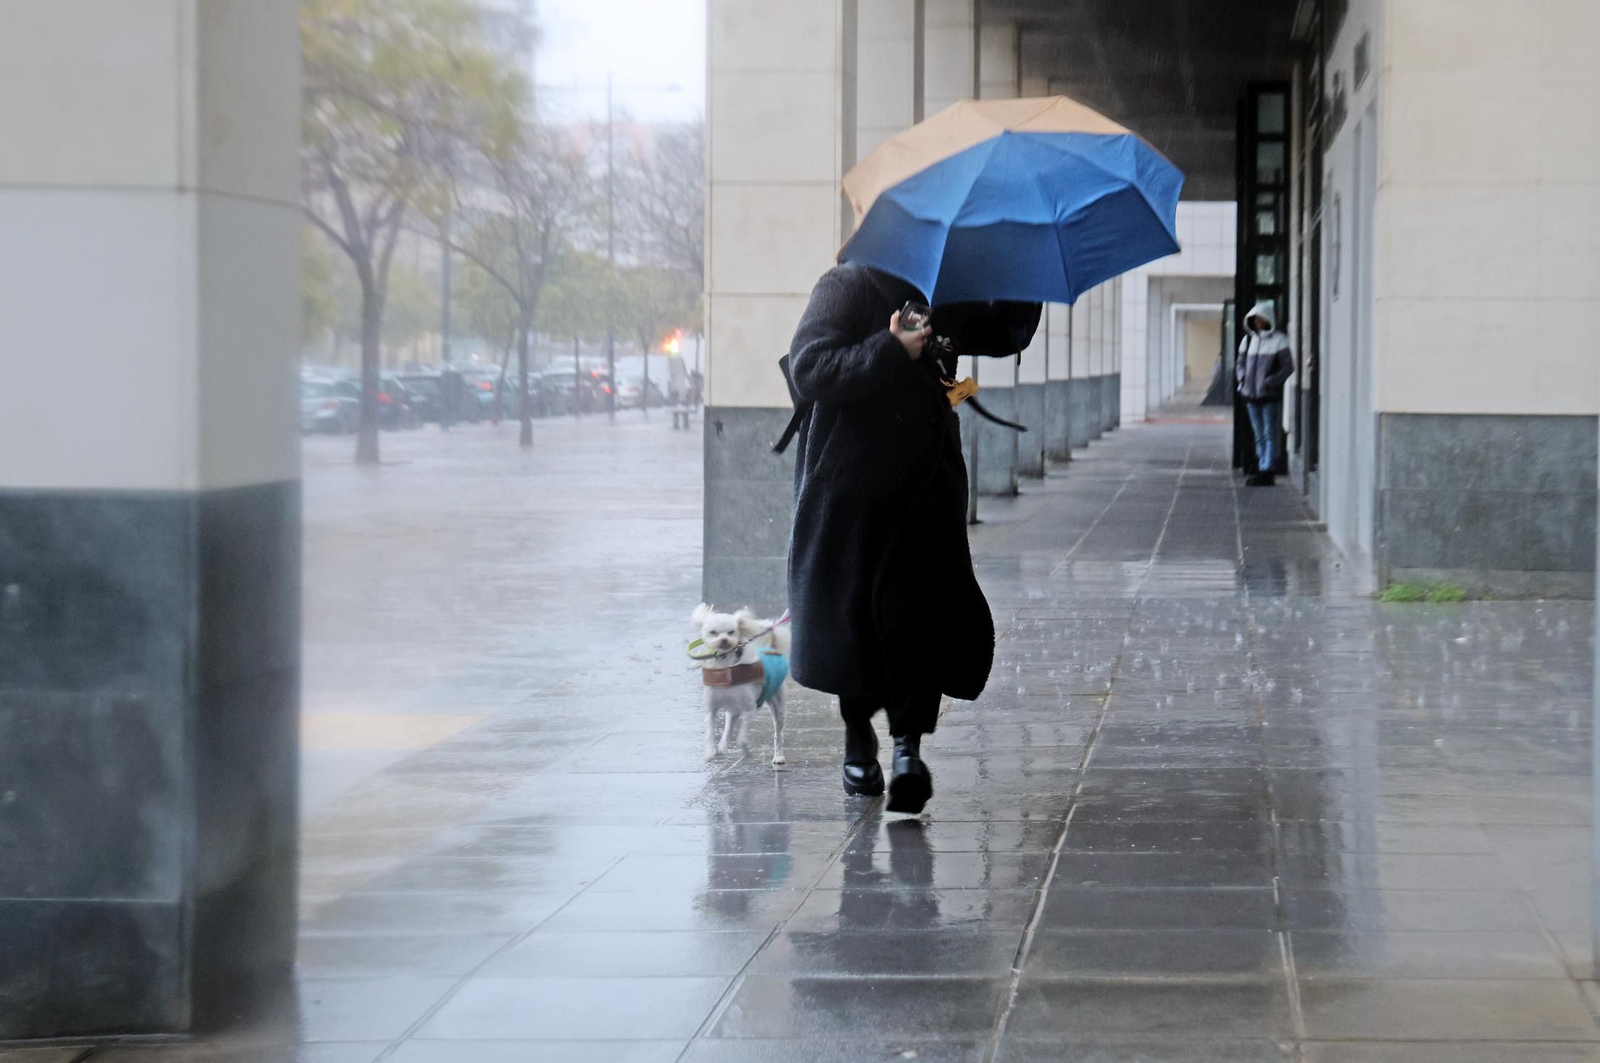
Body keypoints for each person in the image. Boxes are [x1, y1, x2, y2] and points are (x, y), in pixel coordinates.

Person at [783, 263, 996, 814]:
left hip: (925, 490)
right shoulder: (845, 286)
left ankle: (908, 747)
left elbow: (997, 335)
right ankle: (860, 739)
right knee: (854, 624)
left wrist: (1013, 288)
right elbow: (810, 368)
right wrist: (890, 347)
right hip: (852, 494)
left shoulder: (941, 292)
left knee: (916, 619)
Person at [1235, 300, 1294, 486]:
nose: (1257, 322)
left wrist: (1270, 382)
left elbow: (1288, 367)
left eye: (1260, 319)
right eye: (1255, 319)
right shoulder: (1249, 340)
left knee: (1270, 432)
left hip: (1269, 395)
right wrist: (1242, 379)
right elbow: (1240, 364)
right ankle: (1262, 467)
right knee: (1259, 433)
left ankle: (1268, 469)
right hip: (1250, 394)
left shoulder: (1280, 340)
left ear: (1268, 319)